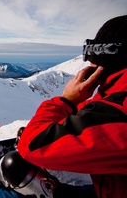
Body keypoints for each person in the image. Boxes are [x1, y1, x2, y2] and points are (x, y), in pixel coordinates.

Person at [16, 15, 127, 198]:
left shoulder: (118, 112)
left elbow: (32, 146)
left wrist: (67, 101)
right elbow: (93, 115)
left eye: (94, 54)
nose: (88, 62)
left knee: (12, 170)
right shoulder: (114, 102)